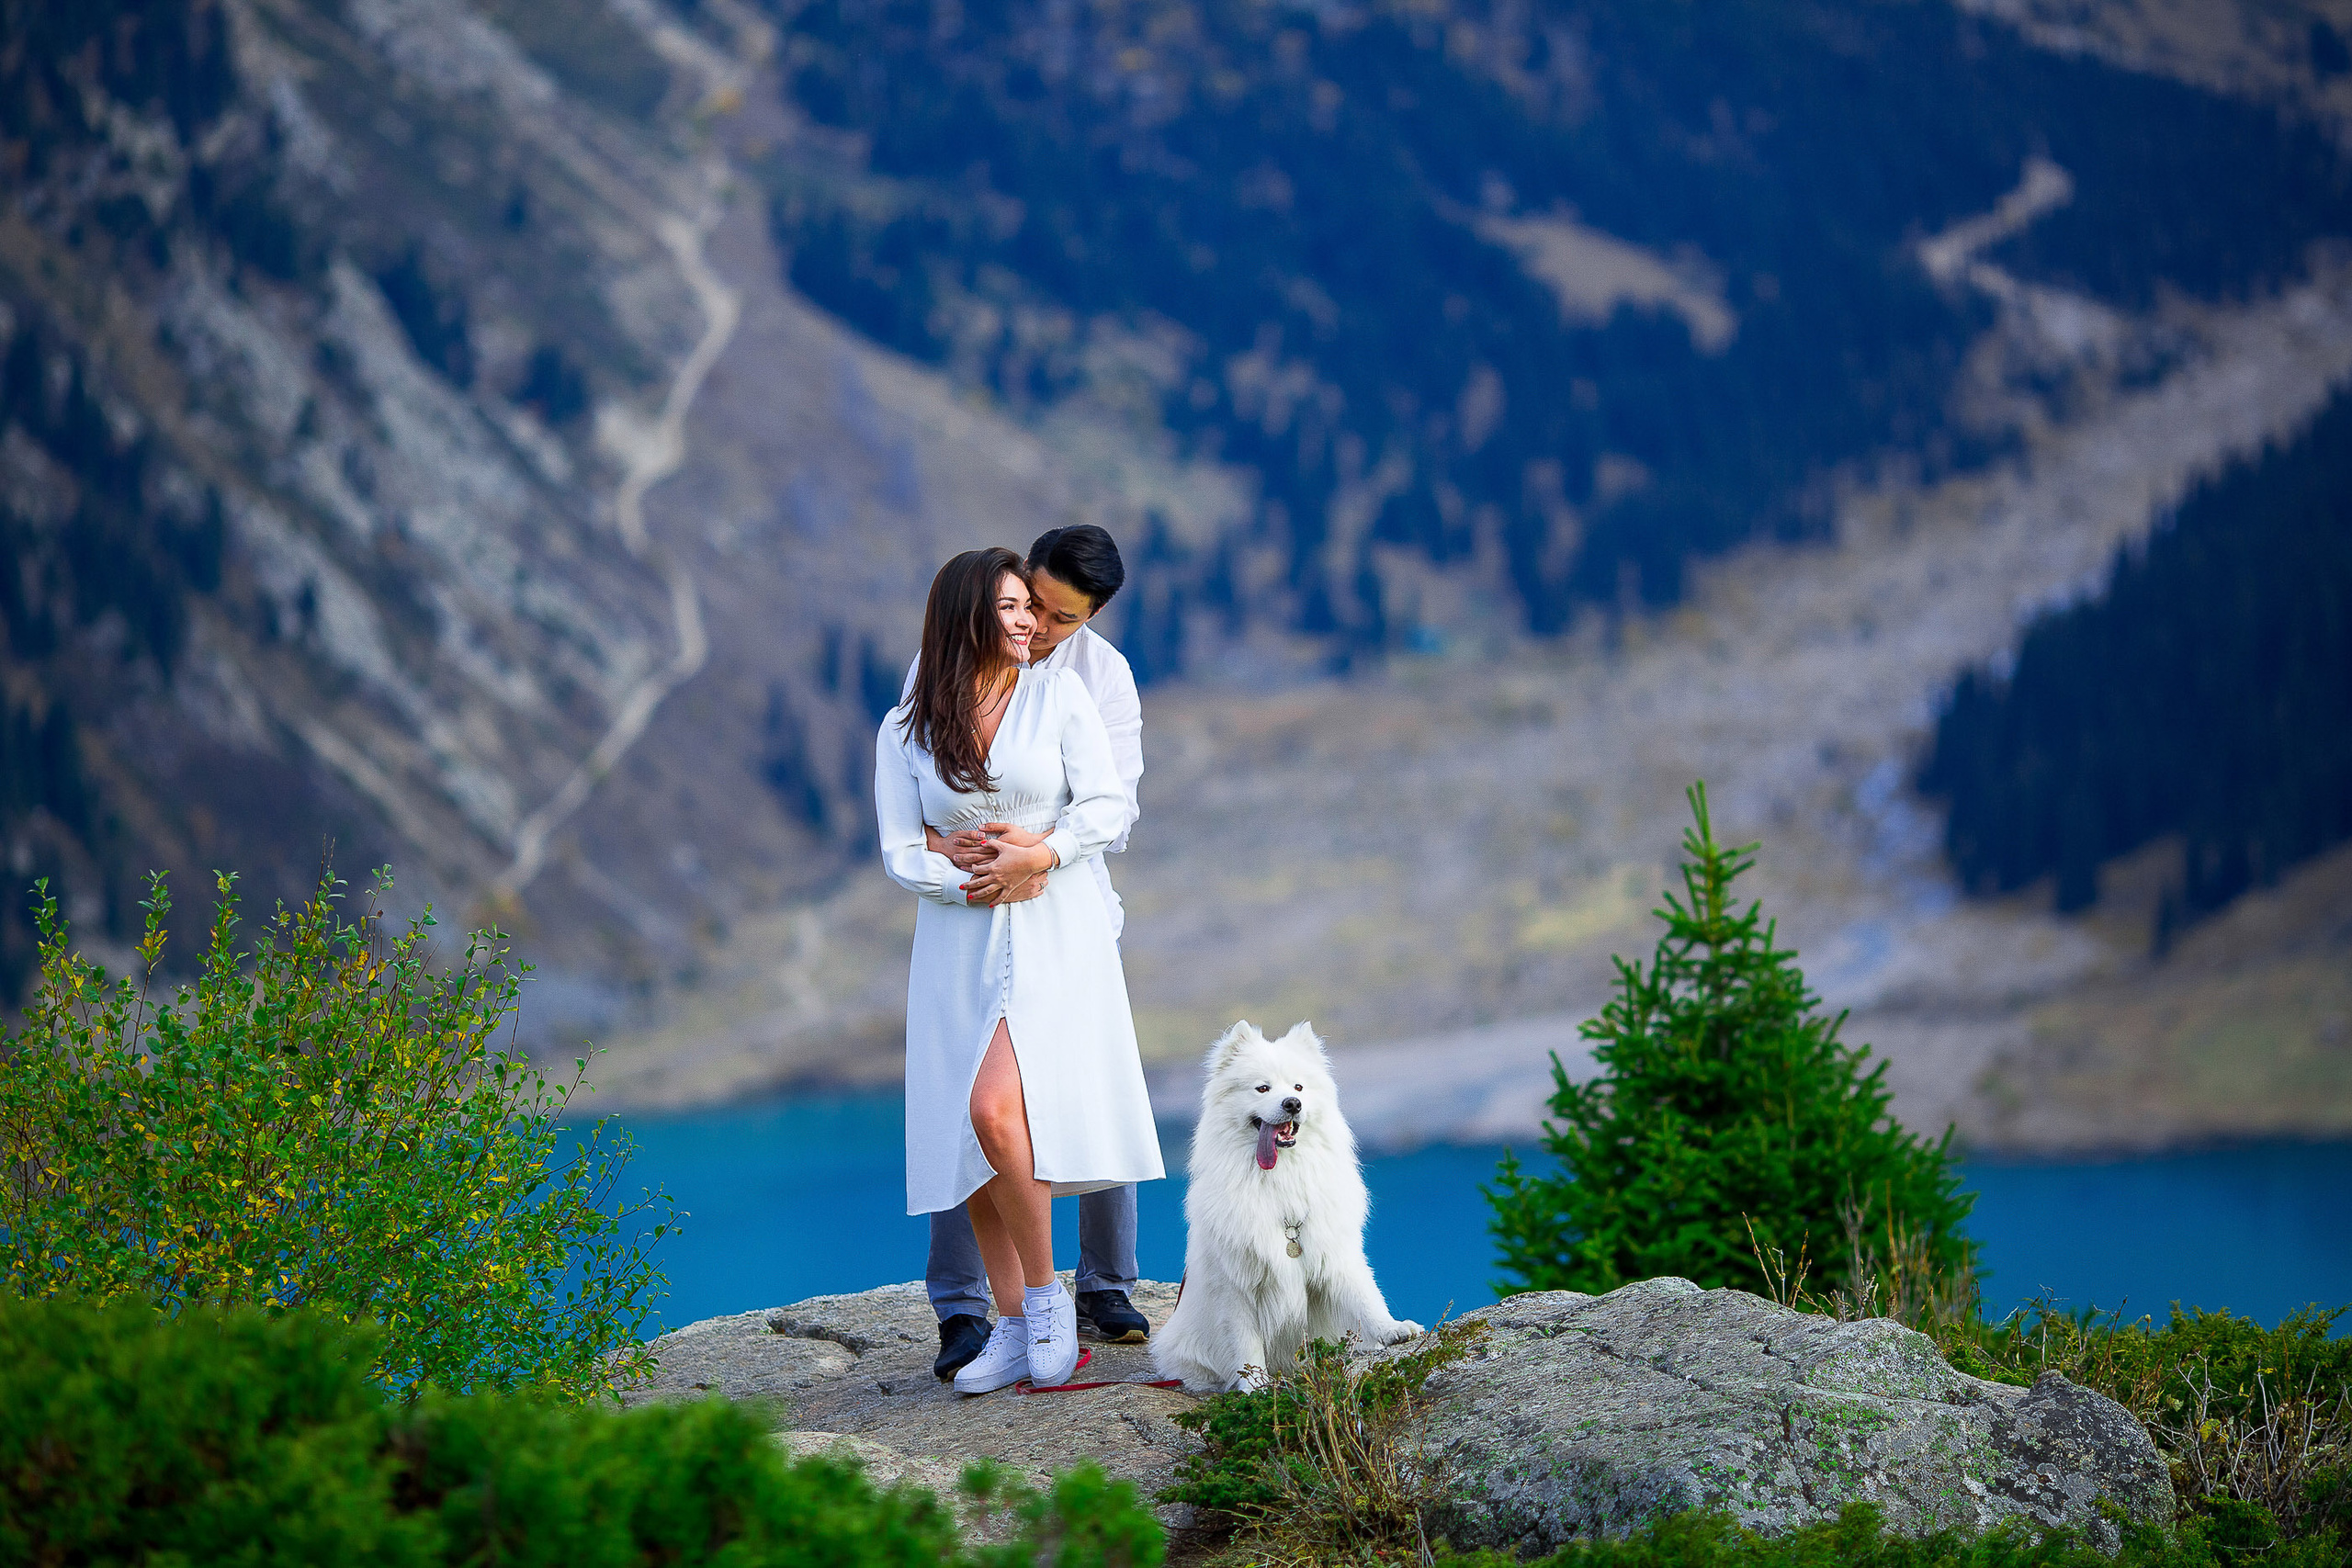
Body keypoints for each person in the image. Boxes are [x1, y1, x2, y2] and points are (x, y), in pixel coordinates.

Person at [874, 547, 1164, 1393]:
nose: (1028, 623)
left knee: (995, 1107)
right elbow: (901, 846)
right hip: (955, 941)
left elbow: (1106, 805)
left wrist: (1040, 853)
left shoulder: (1067, 692)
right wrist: (960, 877)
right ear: (964, 615)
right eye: (1010, 607)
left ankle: (1052, 1301)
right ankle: (1006, 1322)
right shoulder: (907, 723)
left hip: (1054, 926)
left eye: (1032, 610)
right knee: (966, 1127)